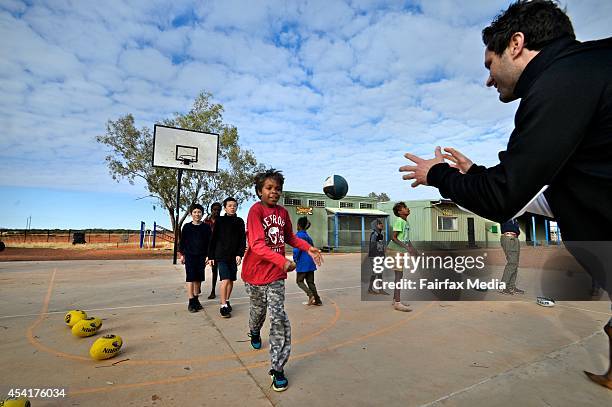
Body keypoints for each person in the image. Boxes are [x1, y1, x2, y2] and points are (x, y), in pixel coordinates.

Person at [399, 0, 612, 389]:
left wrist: (439, 175)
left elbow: (504, 197)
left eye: (488, 65)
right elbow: (553, 194)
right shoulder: (591, 69)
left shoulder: (561, 81)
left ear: (516, 44)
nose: (488, 79)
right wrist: (476, 176)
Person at [241, 169, 323, 392]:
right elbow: (257, 245)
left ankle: (277, 368)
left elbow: (290, 237)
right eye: (269, 188)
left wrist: (308, 248)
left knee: (278, 318)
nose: (274, 192)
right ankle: (254, 330)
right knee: (258, 312)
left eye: (277, 189)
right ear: (260, 191)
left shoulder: (283, 213)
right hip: (255, 274)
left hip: (276, 276)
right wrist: (281, 260)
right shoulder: (255, 211)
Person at [207, 197, 246, 319]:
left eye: (234, 205)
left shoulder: (239, 221)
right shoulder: (220, 220)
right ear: (225, 208)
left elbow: (242, 240)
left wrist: (240, 254)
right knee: (225, 279)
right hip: (221, 255)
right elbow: (213, 239)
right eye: (229, 205)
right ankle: (223, 305)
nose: (232, 207)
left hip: (233, 257)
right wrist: (211, 255)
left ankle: (227, 300)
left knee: (231, 280)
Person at [178, 204, 212, 313]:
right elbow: (183, 242)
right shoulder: (187, 227)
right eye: (195, 212)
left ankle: (196, 299)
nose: (197, 214)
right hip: (189, 255)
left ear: (202, 214)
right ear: (191, 214)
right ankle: (191, 300)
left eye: (199, 212)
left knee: (198, 279)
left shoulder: (206, 227)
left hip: (201, 256)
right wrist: (182, 254)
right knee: (190, 278)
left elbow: (209, 243)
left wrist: (208, 256)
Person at [386, 202, 412, 312]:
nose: (407, 209)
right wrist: (406, 247)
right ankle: (397, 303)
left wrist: (413, 249)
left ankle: (395, 299)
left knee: (399, 276)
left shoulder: (406, 222)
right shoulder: (399, 221)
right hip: (394, 250)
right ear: (399, 212)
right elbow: (394, 238)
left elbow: (406, 238)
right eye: (405, 208)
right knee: (398, 276)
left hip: (399, 250)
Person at [293, 216, 322, 306]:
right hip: (310, 262)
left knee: (299, 281)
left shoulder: (298, 236)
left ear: (298, 225)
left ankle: (310, 295)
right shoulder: (307, 236)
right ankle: (318, 300)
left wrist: (295, 259)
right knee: (310, 282)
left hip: (302, 262)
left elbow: (297, 250)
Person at [499, 219, 523, 295]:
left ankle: (511, 286)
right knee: (512, 263)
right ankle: (503, 286)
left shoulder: (516, 216)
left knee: (515, 264)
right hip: (508, 238)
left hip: (515, 238)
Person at [204, 202, 222, 299]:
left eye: (218, 210)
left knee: (215, 270)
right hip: (206, 248)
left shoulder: (222, 221)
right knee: (201, 267)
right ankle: (197, 286)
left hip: (217, 249)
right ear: (211, 210)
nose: (216, 212)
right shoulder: (206, 222)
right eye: (215, 209)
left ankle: (213, 290)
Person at [367, 218, 389, 295]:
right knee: (375, 272)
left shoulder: (380, 234)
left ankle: (380, 289)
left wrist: (383, 254)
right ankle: (370, 289)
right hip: (374, 256)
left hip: (379, 256)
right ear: (375, 226)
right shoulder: (374, 234)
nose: (382, 225)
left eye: (381, 223)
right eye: (379, 224)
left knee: (379, 273)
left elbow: (380, 246)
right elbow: (373, 247)